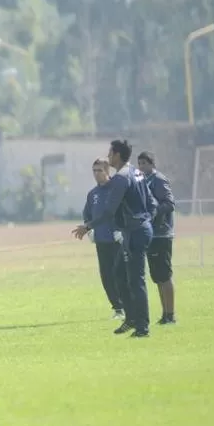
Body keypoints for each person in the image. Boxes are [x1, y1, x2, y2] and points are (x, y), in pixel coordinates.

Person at [72, 140, 157, 338]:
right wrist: (146, 220)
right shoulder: (136, 172)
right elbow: (151, 203)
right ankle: (131, 319)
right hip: (136, 229)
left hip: (135, 232)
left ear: (117, 155)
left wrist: (87, 227)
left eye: (110, 153)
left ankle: (142, 327)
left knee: (136, 280)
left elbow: (110, 211)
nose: (108, 156)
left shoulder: (121, 178)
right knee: (119, 274)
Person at [137, 151, 177, 325]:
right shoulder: (143, 181)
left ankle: (171, 314)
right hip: (150, 234)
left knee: (165, 275)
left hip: (162, 234)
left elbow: (169, 204)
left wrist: (153, 213)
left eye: (144, 163)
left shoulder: (159, 179)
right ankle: (164, 315)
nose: (141, 167)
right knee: (157, 276)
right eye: (139, 164)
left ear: (152, 164)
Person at [82, 159, 125, 320]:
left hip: (118, 240)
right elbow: (87, 214)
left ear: (108, 171)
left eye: (99, 170)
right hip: (101, 240)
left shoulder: (117, 190)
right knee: (106, 276)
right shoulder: (93, 194)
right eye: (94, 170)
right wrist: (90, 230)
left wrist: (121, 230)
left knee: (121, 274)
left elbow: (124, 211)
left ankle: (129, 305)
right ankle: (118, 309)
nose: (96, 174)